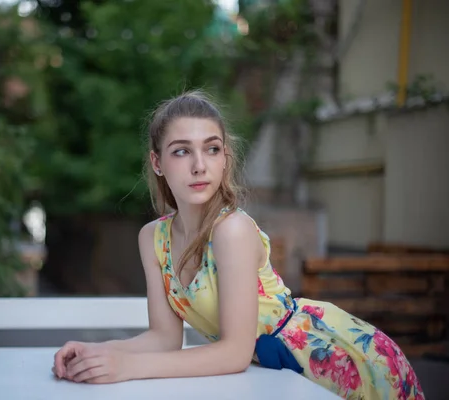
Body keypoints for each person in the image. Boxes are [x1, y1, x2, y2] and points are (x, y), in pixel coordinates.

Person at [51, 90, 424, 399]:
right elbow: (164, 339)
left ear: (225, 157)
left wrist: (127, 368)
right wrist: (99, 353)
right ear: (158, 162)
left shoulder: (231, 230)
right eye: (182, 151)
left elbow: (234, 352)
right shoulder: (153, 238)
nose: (200, 165)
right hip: (273, 377)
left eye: (212, 149)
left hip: (328, 361)